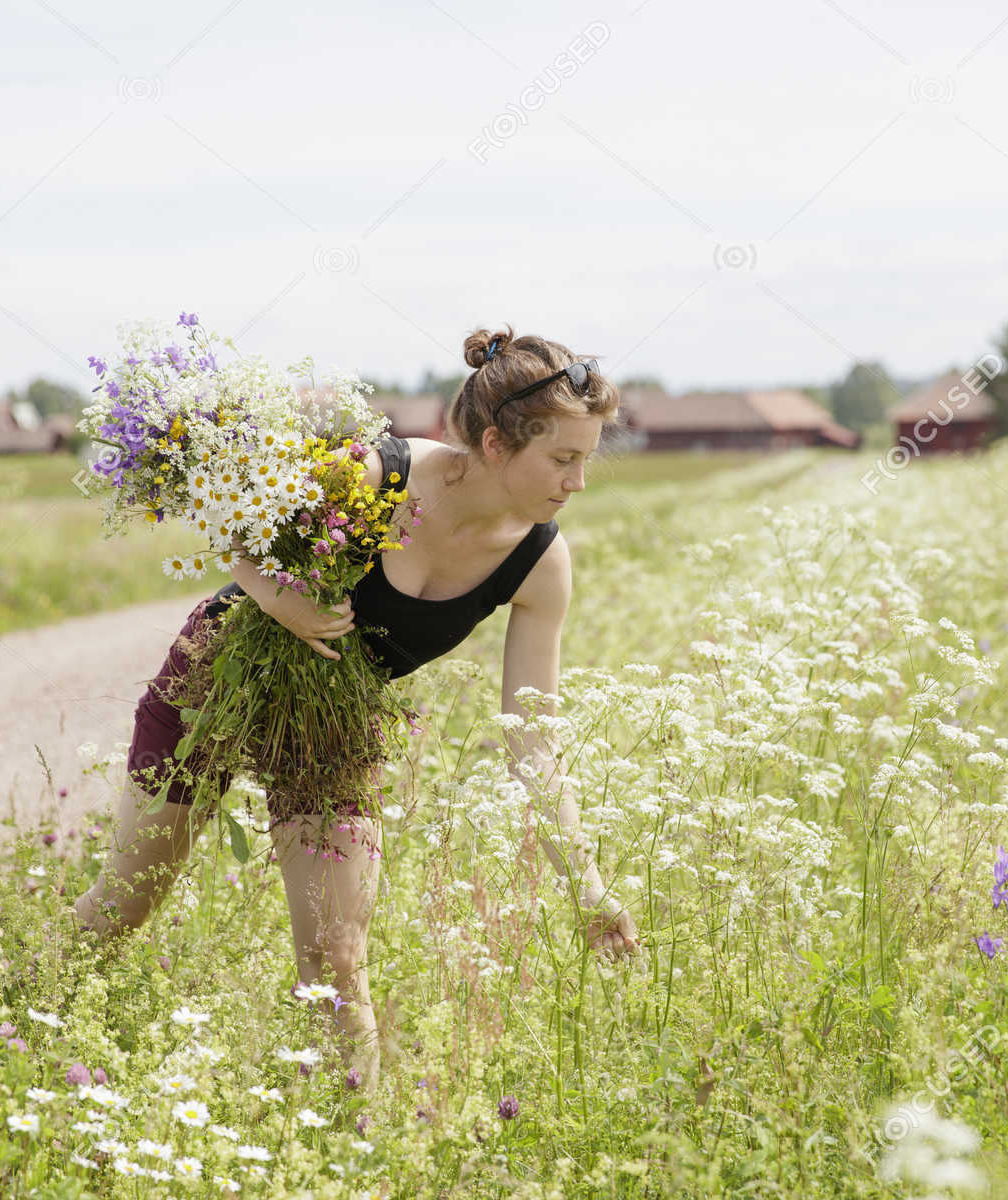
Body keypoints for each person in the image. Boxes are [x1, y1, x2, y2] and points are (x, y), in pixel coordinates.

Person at [71, 325, 643, 1089]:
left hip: (328, 721)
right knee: (127, 903)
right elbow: (234, 529)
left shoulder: (541, 562)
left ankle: (352, 1137)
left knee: (338, 957)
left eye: (586, 459)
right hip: (215, 681)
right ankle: (23, 1015)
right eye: (563, 459)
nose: (577, 482)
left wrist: (588, 886)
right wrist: (285, 604)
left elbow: (532, 740)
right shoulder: (377, 471)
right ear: (499, 446)